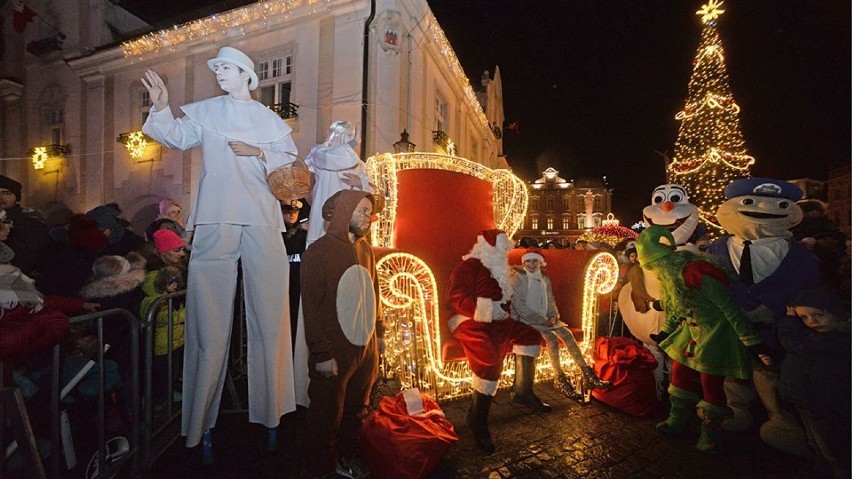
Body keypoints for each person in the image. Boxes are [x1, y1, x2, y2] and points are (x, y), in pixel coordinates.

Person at [141, 45, 298, 450]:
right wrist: (161, 108)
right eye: (218, 70)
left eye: (226, 69)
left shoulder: (268, 119)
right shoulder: (208, 112)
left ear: (246, 73)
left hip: (262, 215)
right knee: (207, 316)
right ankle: (201, 422)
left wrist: (260, 150)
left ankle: (273, 413)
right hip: (216, 213)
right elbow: (176, 135)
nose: (220, 75)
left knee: (271, 313)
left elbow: (288, 166)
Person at [639, 226, 770, 453]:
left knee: (711, 384)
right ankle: (677, 421)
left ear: (664, 262)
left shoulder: (696, 274)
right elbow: (679, 307)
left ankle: (710, 434)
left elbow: (729, 309)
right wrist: (666, 330)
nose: (654, 273)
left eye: (654, 267)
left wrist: (751, 341)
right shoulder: (674, 278)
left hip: (716, 334)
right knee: (679, 374)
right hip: (691, 333)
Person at [300, 190, 384, 479]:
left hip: (365, 349)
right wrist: (321, 353)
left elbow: (375, 292)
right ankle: (321, 469)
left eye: (369, 212)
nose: (368, 217)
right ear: (343, 212)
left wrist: (380, 334)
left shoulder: (366, 250)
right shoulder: (318, 252)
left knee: (357, 410)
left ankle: (345, 459)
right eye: (361, 210)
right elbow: (311, 306)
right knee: (326, 416)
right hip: (334, 352)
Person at [447, 229, 550, 454]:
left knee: (531, 336)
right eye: (500, 248)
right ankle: (477, 418)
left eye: (505, 249)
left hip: (499, 322)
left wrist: (504, 310)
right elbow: (455, 297)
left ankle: (523, 392)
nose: (504, 253)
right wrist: (486, 309)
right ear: (487, 248)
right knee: (489, 361)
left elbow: (506, 299)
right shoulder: (469, 266)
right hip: (470, 321)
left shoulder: (500, 269)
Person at [763, 289, 850, 478]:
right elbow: (799, 360)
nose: (812, 321)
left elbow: (795, 345)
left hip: (827, 406)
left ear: (835, 312)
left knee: (832, 448)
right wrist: (776, 363)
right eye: (804, 317)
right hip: (806, 399)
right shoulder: (813, 338)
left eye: (818, 314)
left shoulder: (838, 341)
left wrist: (789, 320)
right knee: (815, 441)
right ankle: (821, 469)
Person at [510, 249, 610, 400]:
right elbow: (518, 304)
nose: (531, 264)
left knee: (567, 334)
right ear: (523, 262)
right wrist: (541, 320)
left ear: (540, 263)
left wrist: (553, 315)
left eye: (535, 261)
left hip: (545, 318)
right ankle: (559, 378)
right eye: (528, 261)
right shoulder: (518, 277)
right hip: (526, 320)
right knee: (551, 338)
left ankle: (587, 373)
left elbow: (550, 300)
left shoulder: (544, 278)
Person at [305, 120, 376, 247]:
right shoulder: (320, 152)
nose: (351, 139)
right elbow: (339, 158)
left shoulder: (358, 163)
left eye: (351, 136)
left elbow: (371, 190)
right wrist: (353, 143)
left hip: (349, 215)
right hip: (323, 210)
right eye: (348, 135)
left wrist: (360, 182)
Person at [0, 175, 52, 276]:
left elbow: (29, 259)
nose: (0, 198)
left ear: (16, 197)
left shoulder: (31, 224)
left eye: (6, 193)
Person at [281, 199, 308, 351]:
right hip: (283, 282)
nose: (292, 214)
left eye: (295, 211)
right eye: (288, 211)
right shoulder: (278, 232)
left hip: (298, 281)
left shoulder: (304, 232)